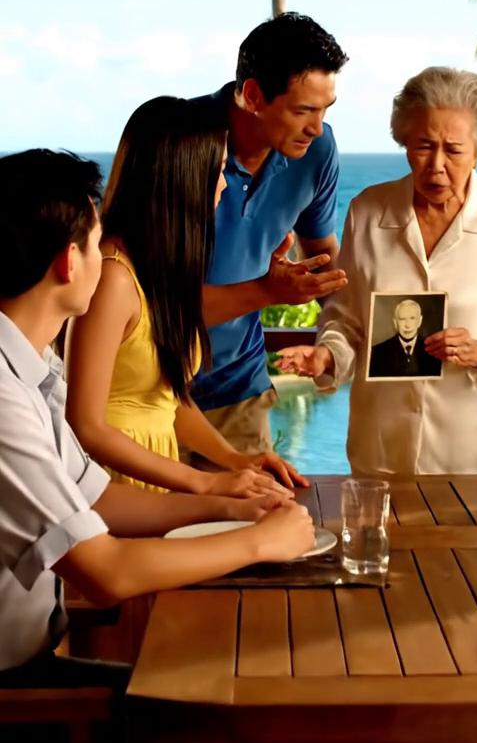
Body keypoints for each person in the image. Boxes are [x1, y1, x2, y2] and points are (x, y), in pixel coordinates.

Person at [0, 150, 314, 678]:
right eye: (96, 242)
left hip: (33, 662)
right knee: (201, 719)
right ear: (68, 261)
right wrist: (261, 541)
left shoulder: (35, 370)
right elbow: (107, 572)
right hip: (18, 690)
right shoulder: (6, 398)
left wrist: (225, 507)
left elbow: (96, 496)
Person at [277, 67, 477, 476]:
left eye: (454, 150)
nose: (436, 165)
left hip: (475, 462)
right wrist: (326, 356)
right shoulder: (368, 212)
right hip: (380, 457)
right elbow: (346, 320)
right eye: (423, 146)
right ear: (405, 143)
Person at [64, 97, 301, 498]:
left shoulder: (152, 270)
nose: (225, 184)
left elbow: (166, 401)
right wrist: (206, 483)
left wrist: (234, 459)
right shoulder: (114, 278)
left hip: (155, 474)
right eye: (219, 169)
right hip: (111, 486)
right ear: (183, 177)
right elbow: (85, 425)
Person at [182, 12, 350, 467]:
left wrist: (351, 340)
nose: (317, 127)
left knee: (253, 529)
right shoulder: (178, 144)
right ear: (253, 95)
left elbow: (324, 261)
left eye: (325, 110)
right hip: (151, 390)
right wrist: (271, 290)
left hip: (239, 390)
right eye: (303, 111)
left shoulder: (317, 151)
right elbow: (146, 302)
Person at [368, 299, 441, 378]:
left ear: (420, 321)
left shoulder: (435, 349)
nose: (407, 325)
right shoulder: (378, 353)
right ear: (395, 323)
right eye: (402, 319)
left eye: (412, 318)